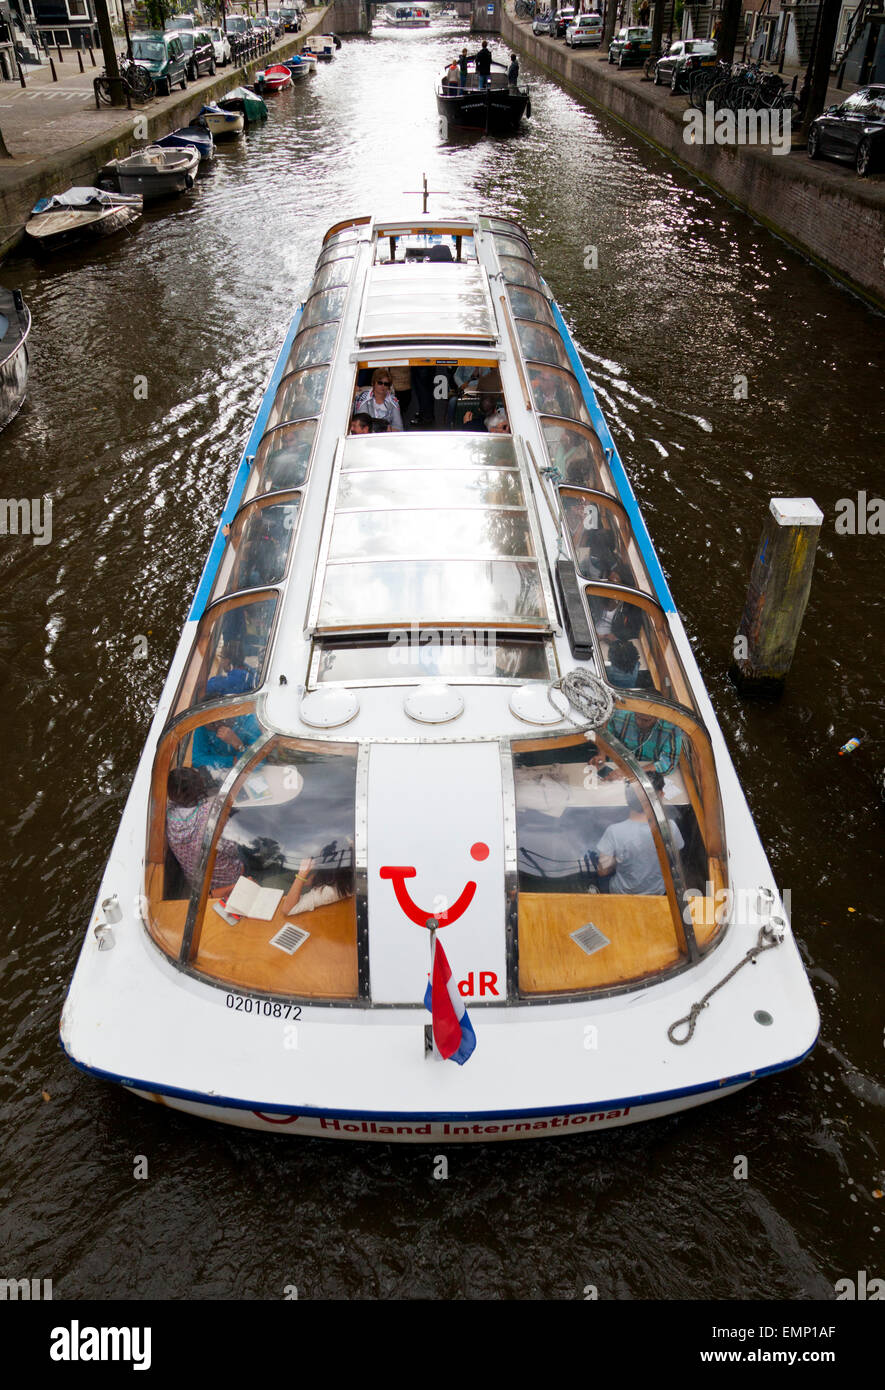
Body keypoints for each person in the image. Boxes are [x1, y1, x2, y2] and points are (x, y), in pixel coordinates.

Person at [166, 766, 244, 892]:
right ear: (200, 786)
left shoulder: (170, 813)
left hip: (199, 885)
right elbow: (233, 848)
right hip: (228, 880)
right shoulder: (211, 814)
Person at [596, 786, 683, 895]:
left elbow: (602, 871)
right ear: (658, 796)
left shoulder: (614, 831)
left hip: (620, 893)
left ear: (628, 799)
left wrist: (616, 860)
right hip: (657, 892)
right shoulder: (670, 827)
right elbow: (675, 862)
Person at [600, 708, 683, 775]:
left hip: (648, 770)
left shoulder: (672, 728)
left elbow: (668, 763)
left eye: (646, 720)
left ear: (658, 717)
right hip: (619, 766)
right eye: (637, 717)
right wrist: (601, 755)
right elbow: (605, 740)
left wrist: (633, 773)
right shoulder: (619, 716)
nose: (639, 723)